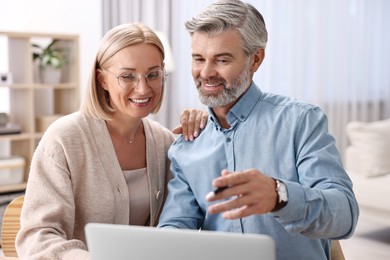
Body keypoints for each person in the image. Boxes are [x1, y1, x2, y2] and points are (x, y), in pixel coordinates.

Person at [157, 1, 359, 259]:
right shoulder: (188, 144)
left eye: (222, 59)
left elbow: (345, 216)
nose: (206, 73)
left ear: (256, 59)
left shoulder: (301, 122)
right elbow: (176, 225)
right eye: (198, 58)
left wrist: (280, 196)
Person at [15, 23, 207, 259]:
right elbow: (37, 237)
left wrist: (209, 128)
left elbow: (189, 214)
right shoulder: (64, 139)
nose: (143, 87)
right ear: (102, 79)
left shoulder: (165, 142)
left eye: (153, 74)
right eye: (127, 76)